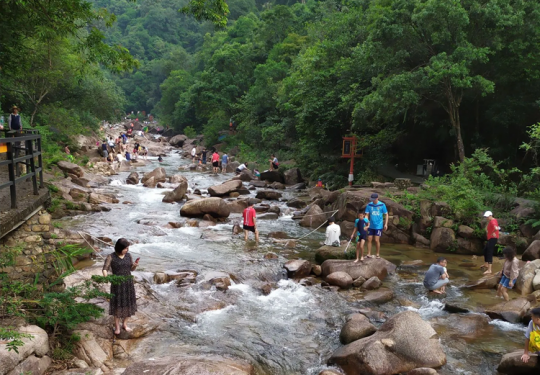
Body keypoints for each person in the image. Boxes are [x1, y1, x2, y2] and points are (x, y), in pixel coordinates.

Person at [102, 238, 139, 335]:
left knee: (128, 304)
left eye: (127, 248)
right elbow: (105, 268)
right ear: (119, 248)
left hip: (128, 283)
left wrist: (134, 265)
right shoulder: (111, 257)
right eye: (125, 248)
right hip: (117, 284)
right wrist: (107, 278)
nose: (127, 250)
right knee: (117, 306)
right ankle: (117, 327)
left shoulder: (128, 256)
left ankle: (125, 324)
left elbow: (131, 269)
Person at [364, 193, 388, 259]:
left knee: (377, 240)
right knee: (369, 239)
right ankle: (369, 254)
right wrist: (366, 222)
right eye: (372, 199)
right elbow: (366, 214)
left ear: (377, 198)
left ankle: (377, 254)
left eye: (374, 199)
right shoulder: (369, 205)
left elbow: (386, 214)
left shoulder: (382, 205)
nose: (373, 201)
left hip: (378, 226)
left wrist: (385, 224)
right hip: (370, 225)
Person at [482, 210, 500, 275]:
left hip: (493, 238)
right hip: (491, 238)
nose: (486, 218)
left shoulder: (492, 221)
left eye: (487, 217)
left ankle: (489, 270)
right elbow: (497, 228)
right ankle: (486, 264)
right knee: (485, 250)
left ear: (490, 215)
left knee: (489, 252)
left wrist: (493, 233)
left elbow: (496, 228)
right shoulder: (492, 220)